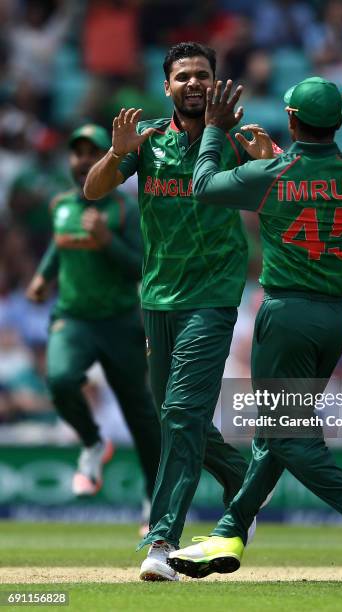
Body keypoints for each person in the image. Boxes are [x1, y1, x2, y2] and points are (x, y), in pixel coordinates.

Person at [168, 66, 342, 584]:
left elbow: (202, 186)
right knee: (273, 432)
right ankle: (230, 530)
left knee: (284, 436)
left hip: (286, 317)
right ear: (338, 122)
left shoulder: (274, 174)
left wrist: (214, 126)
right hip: (333, 319)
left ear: (290, 118)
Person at [83, 42, 275, 582]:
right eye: (183, 76)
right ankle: (246, 485)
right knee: (174, 414)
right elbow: (93, 189)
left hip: (212, 297)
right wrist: (114, 154)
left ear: (215, 85)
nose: (194, 83)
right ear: (166, 86)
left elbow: (282, 191)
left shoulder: (237, 140)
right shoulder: (145, 138)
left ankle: (161, 541)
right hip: (158, 297)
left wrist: (269, 164)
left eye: (203, 76)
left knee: (185, 415)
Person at [26, 124, 161, 532]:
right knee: (62, 381)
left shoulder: (124, 208)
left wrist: (107, 242)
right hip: (74, 318)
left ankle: (154, 501)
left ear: (109, 158)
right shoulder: (61, 205)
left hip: (121, 321)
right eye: (77, 153)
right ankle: (92, 441)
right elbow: (58, 244)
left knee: (141, 415)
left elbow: (142, 265)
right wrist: (42, 275)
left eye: (93, 152)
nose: (84, 160)